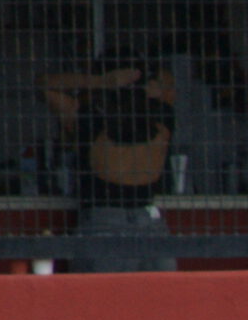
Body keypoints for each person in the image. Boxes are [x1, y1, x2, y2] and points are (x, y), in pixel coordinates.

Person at [40, 53, 178, 273]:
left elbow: (43, 85)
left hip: (103, 222)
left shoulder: (87, 116)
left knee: (102, 295)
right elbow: (169, 86)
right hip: (148, 223)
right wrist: (144, 81)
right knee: (163, 295)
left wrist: (100, 81)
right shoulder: (162, 114)